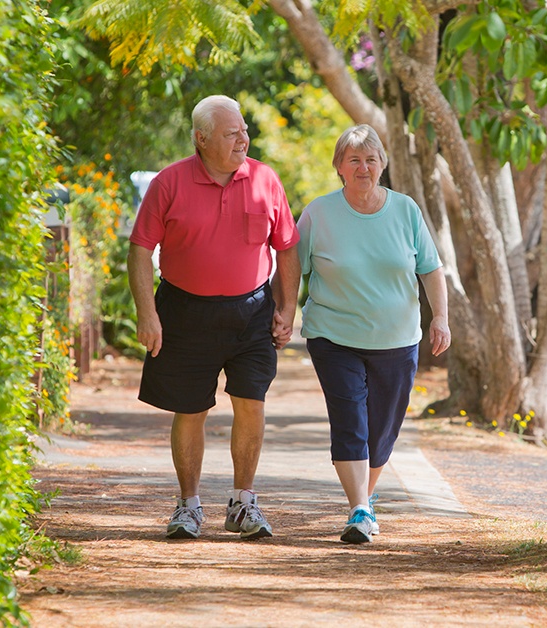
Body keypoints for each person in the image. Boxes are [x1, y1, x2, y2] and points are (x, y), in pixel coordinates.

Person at [128, 95, 301, 541]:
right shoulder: (169, 183)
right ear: (201, 139)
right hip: (185, 311)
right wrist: (147, 314)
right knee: (191, 410)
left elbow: (286, 248)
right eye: (231, 133)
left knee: (251, 403)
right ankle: (188, 507)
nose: (243, 138)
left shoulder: (265, 179)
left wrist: (286, 308)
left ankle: (244, 504)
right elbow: (140, 250)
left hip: (252, 313)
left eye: (244, 130)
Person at [296, 124, 451, 544]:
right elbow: (294, 269)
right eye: (354, 160)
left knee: (383, 428)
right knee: (351, 420)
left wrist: (440, 318)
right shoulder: (319, 213)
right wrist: (279, 313)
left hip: (397, 339)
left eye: (371, 159)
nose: (363, 167)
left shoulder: (405, 210)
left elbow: (430, 268)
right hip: (333, 335)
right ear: (339, 167)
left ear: (382, 164)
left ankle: (364, 497)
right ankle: (359, 509)